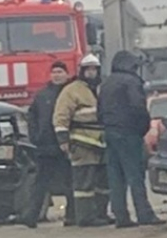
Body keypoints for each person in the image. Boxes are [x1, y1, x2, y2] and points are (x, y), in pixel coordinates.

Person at [98, 50, 166, 228]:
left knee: (115, 177)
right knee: (135, 175)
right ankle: (144, 213)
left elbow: (99, 111)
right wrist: (142, 128)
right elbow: (138, 108)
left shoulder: (106, 83)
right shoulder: (132, 82)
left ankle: (121, 216)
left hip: (110, 133)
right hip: (129, 133)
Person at [53, 53, 111, 227]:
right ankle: (85, 217)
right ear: (82, 70)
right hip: (81, 143)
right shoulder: (71, 90)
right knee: (83, 183)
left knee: (103, 183)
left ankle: (101, 214)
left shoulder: (103, 88)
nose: (91, 73)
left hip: (102, 143)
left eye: (95, 69)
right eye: (88, 69)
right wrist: (63, 139)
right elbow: (61, 116)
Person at [25, 61, 74, 227]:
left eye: (60, 72)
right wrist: (36, 137)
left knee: (70, 183)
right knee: (40, 183)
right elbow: (31, 117)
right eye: (54, 72)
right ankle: (31, 217)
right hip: (45, 147)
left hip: (66, 146)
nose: (57, 75)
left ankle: (71, 216)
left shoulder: (71, 93)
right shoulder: (42, 95)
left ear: (67, 74)